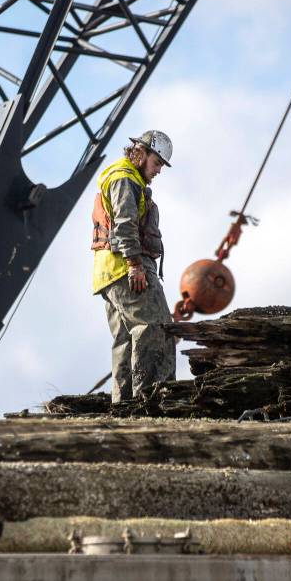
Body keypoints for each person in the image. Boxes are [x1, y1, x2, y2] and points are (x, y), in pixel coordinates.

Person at [91, 129, 176, 403]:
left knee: (125, 340)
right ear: (141, 154)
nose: (159, 170)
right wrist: (134, 265)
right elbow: (125, 224)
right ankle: (151, 401)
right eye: (157, 162)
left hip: (108, 274)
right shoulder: (125, 179)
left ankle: (124, 404)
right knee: (156, 327)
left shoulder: (121, 176)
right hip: (125, 269)